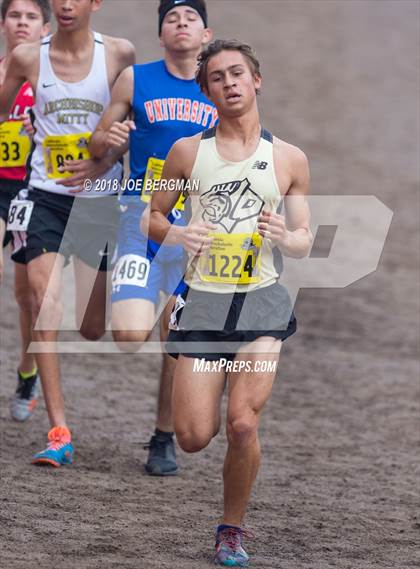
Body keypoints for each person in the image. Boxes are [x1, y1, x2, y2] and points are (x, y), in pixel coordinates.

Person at [148, 40, 313, 566]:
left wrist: (288, 238)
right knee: (196, 435)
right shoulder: (187, 153)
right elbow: (152, 215)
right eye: (217, 77)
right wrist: (178, 235)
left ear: (256, 80)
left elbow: (306, 235)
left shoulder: (287, 158)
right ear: (206, 91)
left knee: (244, 423)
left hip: (262, 303)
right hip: (204, 304)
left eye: (237, 73)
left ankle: (231, 528)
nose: (230, 83)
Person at [0, 0, 135, 467]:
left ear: (96, 3)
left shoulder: (119, 54)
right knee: (43, 302)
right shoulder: (26, 57)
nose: (65, 4)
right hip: (43, 196)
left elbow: (135, 124)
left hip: (99, 202)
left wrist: (103, 160)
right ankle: (59, 431)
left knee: (93, 326)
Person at [89, 0, 216, 476]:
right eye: (171, 18)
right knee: (128, 334)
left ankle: (162, 436)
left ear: (206, 35)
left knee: (175, 337)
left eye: (190, 18)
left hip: (197, 228)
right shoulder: (136, 79)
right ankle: (109, 270)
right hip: (139, 218)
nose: (180, 23)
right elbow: (98, 141)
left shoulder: (219, 86)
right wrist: (110, 140)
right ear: (161, 35)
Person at [0, 0, 50, 421]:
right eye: (14, 15)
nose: (22, 23)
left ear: (45, 26)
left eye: (31, 16)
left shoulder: (53, 81)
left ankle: (27, 368)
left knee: (27, 296)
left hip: (30, 189)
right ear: (3, 24)